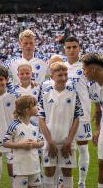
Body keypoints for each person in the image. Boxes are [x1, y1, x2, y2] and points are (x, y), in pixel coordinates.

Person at [38, 62, 83, 188]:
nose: (63, 78)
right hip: (49, 140)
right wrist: (50, 142)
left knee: (67, 172)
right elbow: (41, 119)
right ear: (52, 76)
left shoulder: (73, 93)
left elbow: (76, 118)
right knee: (49, 171)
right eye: (60, 75)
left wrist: (69, 141)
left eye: (65, 74)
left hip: (67, 141)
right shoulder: (45, 94)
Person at [64, 37, 92, 188]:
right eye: (68, 47)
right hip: (64, 115)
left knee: (82, 147)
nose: (71, 50)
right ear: (64, 49)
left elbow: (94, 88)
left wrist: (97, 109)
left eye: (74, 47)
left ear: (79, 48)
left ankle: (82, 183)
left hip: (82, 115)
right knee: (65, 147)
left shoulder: (86, 66)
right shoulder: (60, 66)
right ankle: (65, 182)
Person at [3, 95, 43, 188]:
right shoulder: (14, 125)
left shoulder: (35, 125)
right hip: (20, 167)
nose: (37, 107)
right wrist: (21, 144)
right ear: (27, 110)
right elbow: (5, 142)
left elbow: (41, 142)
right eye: (34, 105)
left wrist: (34, 144)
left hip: (34, 165)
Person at [81, 53, 103, 188]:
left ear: (93, 69)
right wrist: (97, 129)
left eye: (85, 69)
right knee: (101, 163)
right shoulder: (93, 86)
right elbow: (99, 109)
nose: (84, 72)